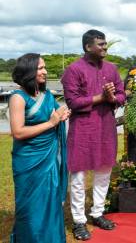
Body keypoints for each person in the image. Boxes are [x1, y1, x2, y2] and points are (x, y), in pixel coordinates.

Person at [61, 29, 126, 240]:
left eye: (106, 44)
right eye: (101, 44)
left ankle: (97, 213)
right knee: (79, 178)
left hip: (106, 128)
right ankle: (79, 221)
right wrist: (101, 97)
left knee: (104, 173)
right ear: (88, 47)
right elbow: (73, 102)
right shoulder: (73, 70)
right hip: (83, 130)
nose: (105, 48)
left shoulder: (111, 69)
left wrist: (114, 97)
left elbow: (122, 93)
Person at [9, 53, 70, 242]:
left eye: (44, 67)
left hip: (49, 157)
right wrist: (52, 123)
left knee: (50, 201)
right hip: (28, 160)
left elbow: (53, 116)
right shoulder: (17, 98)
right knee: (29, 206)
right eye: (40, 68)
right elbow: (17, 132)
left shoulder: (47, 95)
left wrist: (61, 117)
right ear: (29, 71)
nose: (45, 71)